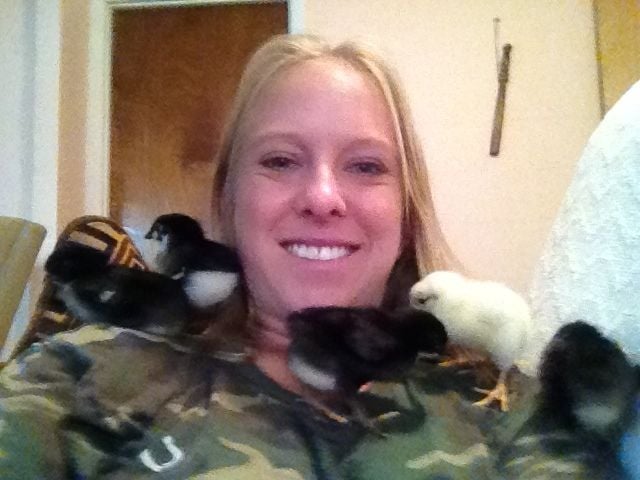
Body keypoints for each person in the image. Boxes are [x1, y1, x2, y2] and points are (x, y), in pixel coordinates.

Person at [0, 34, 627, 479]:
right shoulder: (81, 377)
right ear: (229, 197)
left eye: (365, 166)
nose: (323, 198)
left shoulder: (507, 411)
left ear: (406, 207)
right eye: (280, 160)